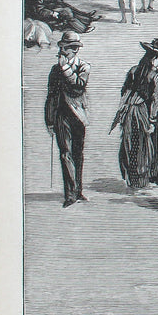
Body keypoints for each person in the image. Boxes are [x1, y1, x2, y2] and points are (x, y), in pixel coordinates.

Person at [111, 37, 158, 189]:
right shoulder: (156, 75)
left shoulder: (134, 70)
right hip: (144, 111)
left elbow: (124, 91)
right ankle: (149, 176)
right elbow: (155, 99)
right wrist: (152, 120)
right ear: (154, 58)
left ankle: (134, 177)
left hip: (130, 110)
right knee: (152, 141)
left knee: (131, 142)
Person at [43, 30, 90, 207]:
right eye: (62, 49)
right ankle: (70, 194)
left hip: (78, 116)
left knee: (78, 154)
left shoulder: (84, 67)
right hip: (61, 116)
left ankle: (78, 191)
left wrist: (66, 69)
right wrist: (49, 119)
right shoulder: (54, 70)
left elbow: (78, 87)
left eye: (65, 50)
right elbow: (51, 95)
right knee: (65, 154)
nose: (62, 53)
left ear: (74, 50)